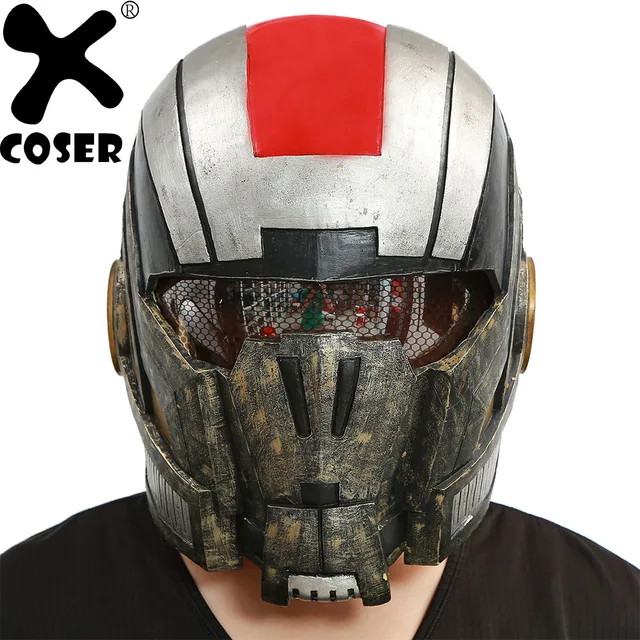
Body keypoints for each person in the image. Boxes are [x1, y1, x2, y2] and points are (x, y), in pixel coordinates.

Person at [1, 15, 638, 640]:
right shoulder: (26, 606)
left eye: (380, 304)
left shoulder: (608, 615)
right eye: (257, 304)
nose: (323, 359)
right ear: (126, 319)